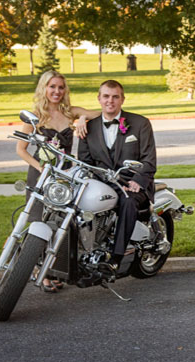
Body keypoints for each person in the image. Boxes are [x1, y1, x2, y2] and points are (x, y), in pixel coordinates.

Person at [16, 70, 100, 292]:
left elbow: (100, 113)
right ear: (44, 88)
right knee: (38, 221)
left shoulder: (70, 112)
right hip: (40, 174)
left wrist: (82, 118)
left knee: (60, 224)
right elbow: (21, 149)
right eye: (52, 86)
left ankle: (54, 271)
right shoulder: (36, 116)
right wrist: (40, 167)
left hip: (64, 176)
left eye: (61, 87)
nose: (56, 91)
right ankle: (38, 271)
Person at [77, 80, 157, 272]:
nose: (110, 101)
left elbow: (149, 160)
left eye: (115, 97)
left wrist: (138, 181)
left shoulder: (140, 123)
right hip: (102, 184)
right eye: (106, 96)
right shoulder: (89, 128)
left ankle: (116, 258)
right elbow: (84, 162)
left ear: (122, 99)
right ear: (99, 99)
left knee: (128, 201)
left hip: (132, 183)